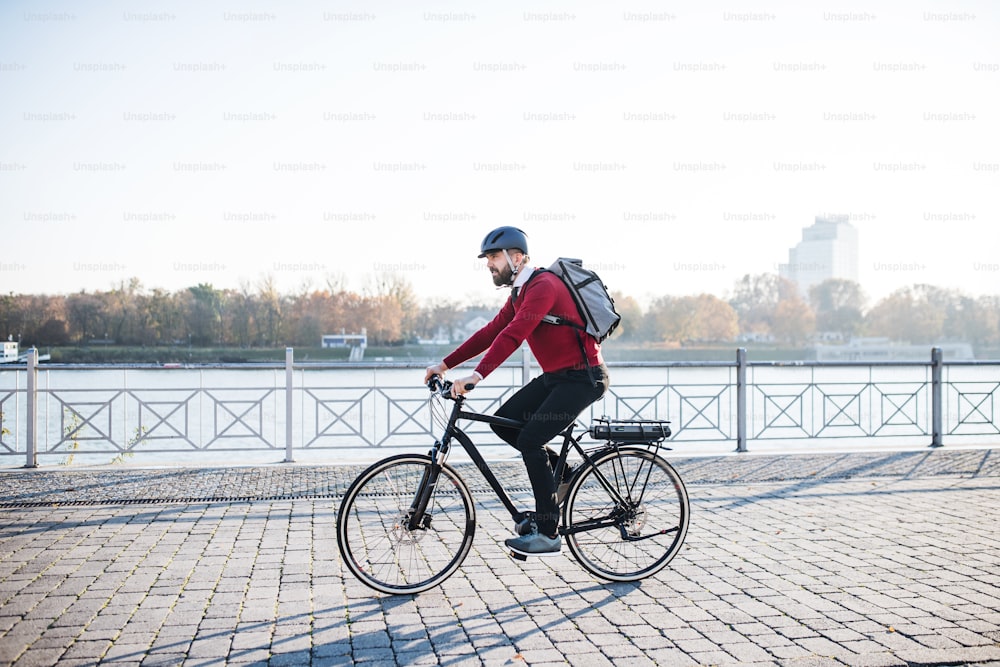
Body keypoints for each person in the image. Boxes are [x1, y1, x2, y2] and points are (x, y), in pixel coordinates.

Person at [424, 226, 610, 557]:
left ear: (517, 257)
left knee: (529, 440)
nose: (489, 265)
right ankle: (563, 472)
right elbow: (492, 332)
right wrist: (445, 365)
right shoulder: (519, 293)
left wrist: (476, 377)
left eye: (494, 257)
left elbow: (515, 335)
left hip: (584, 379)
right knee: (503, 422)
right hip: (557, 377)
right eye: (488, 259)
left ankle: (549, 532)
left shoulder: (543, 286)